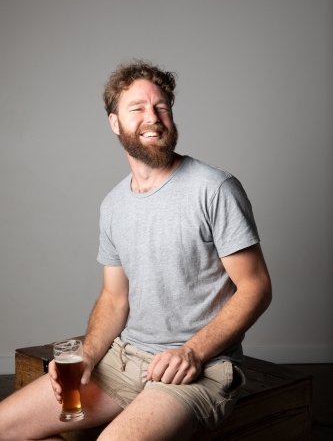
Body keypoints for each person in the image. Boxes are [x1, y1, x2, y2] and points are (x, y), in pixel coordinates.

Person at [0, 60, 272, 441]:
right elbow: (114, 298)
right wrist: (88, 357)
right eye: (138, 109)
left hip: (198, 369)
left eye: (162, 107)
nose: (153, 118)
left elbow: (256, 287)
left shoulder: (215, 188)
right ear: (115, 123)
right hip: (124, 360)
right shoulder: (113, 205)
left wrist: (192, 352)